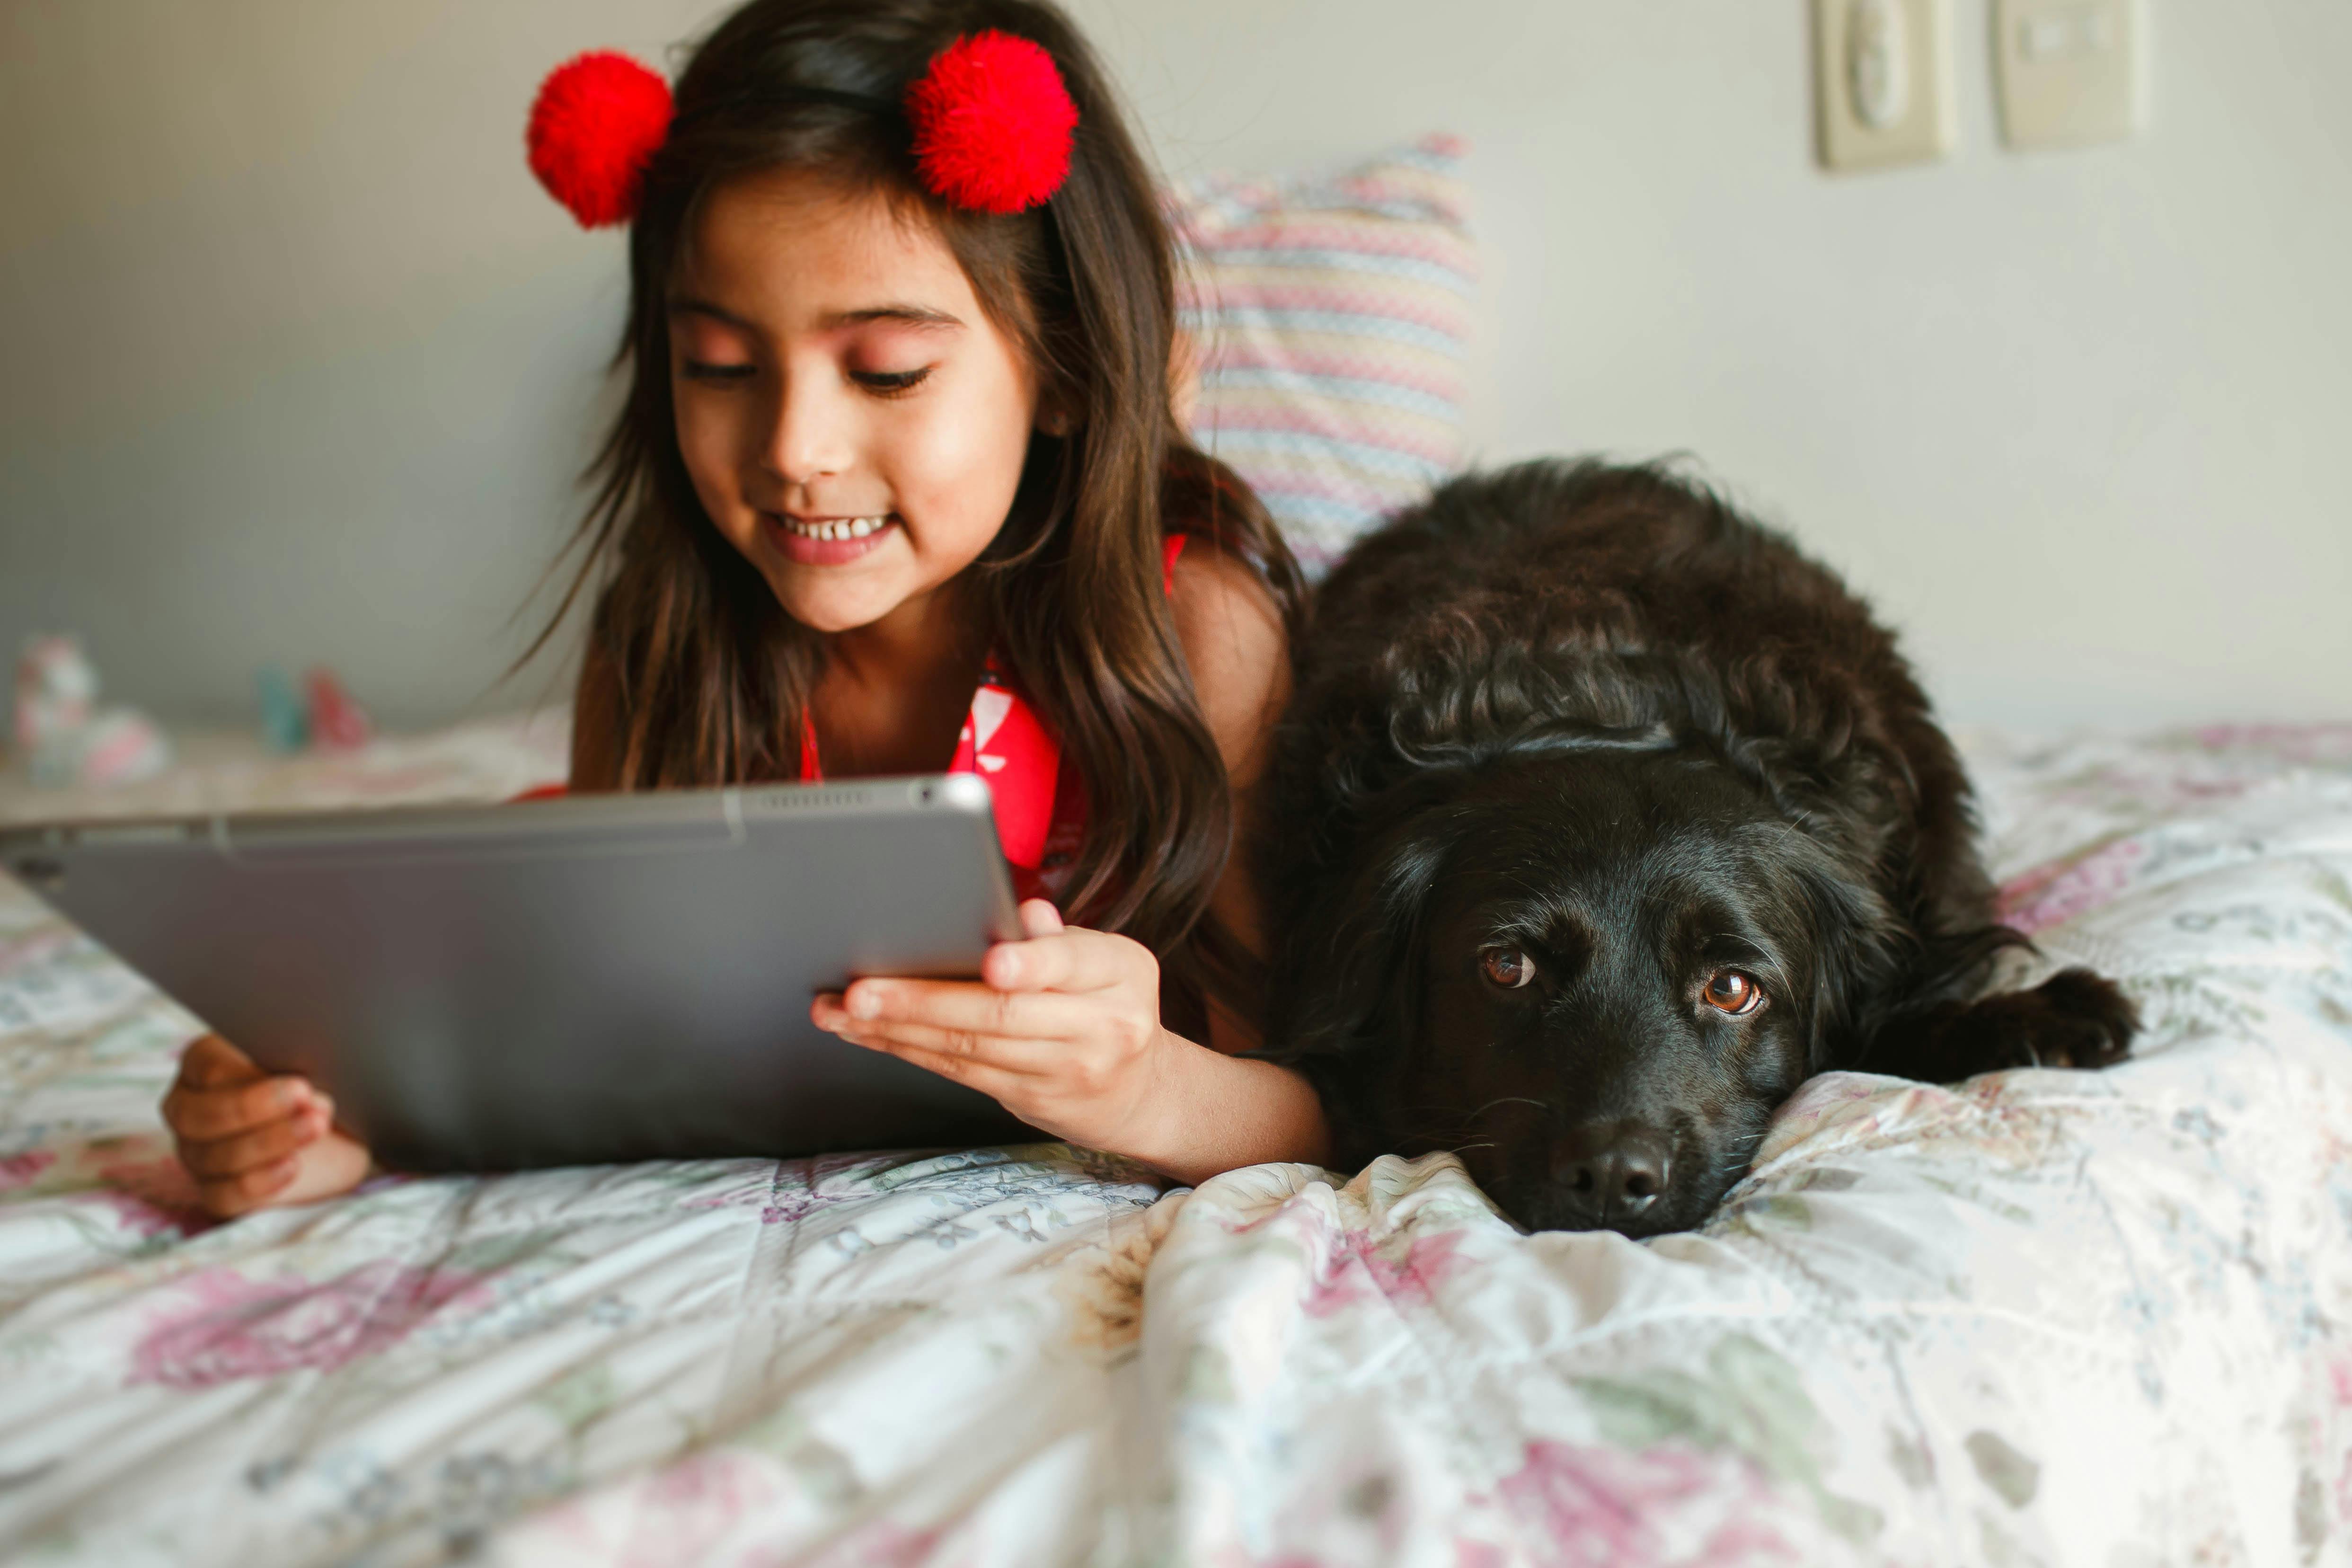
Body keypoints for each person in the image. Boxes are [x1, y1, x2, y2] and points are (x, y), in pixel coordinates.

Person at [159, 0, 1334, 1219]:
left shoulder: (1199, 636)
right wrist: (345, 1125)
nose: (794, 449)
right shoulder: (662, 646)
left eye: (885, 371)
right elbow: (596, 1046)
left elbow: (1329, 1097)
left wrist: (1146, 1090)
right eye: (719, 366)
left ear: (1066, 366)